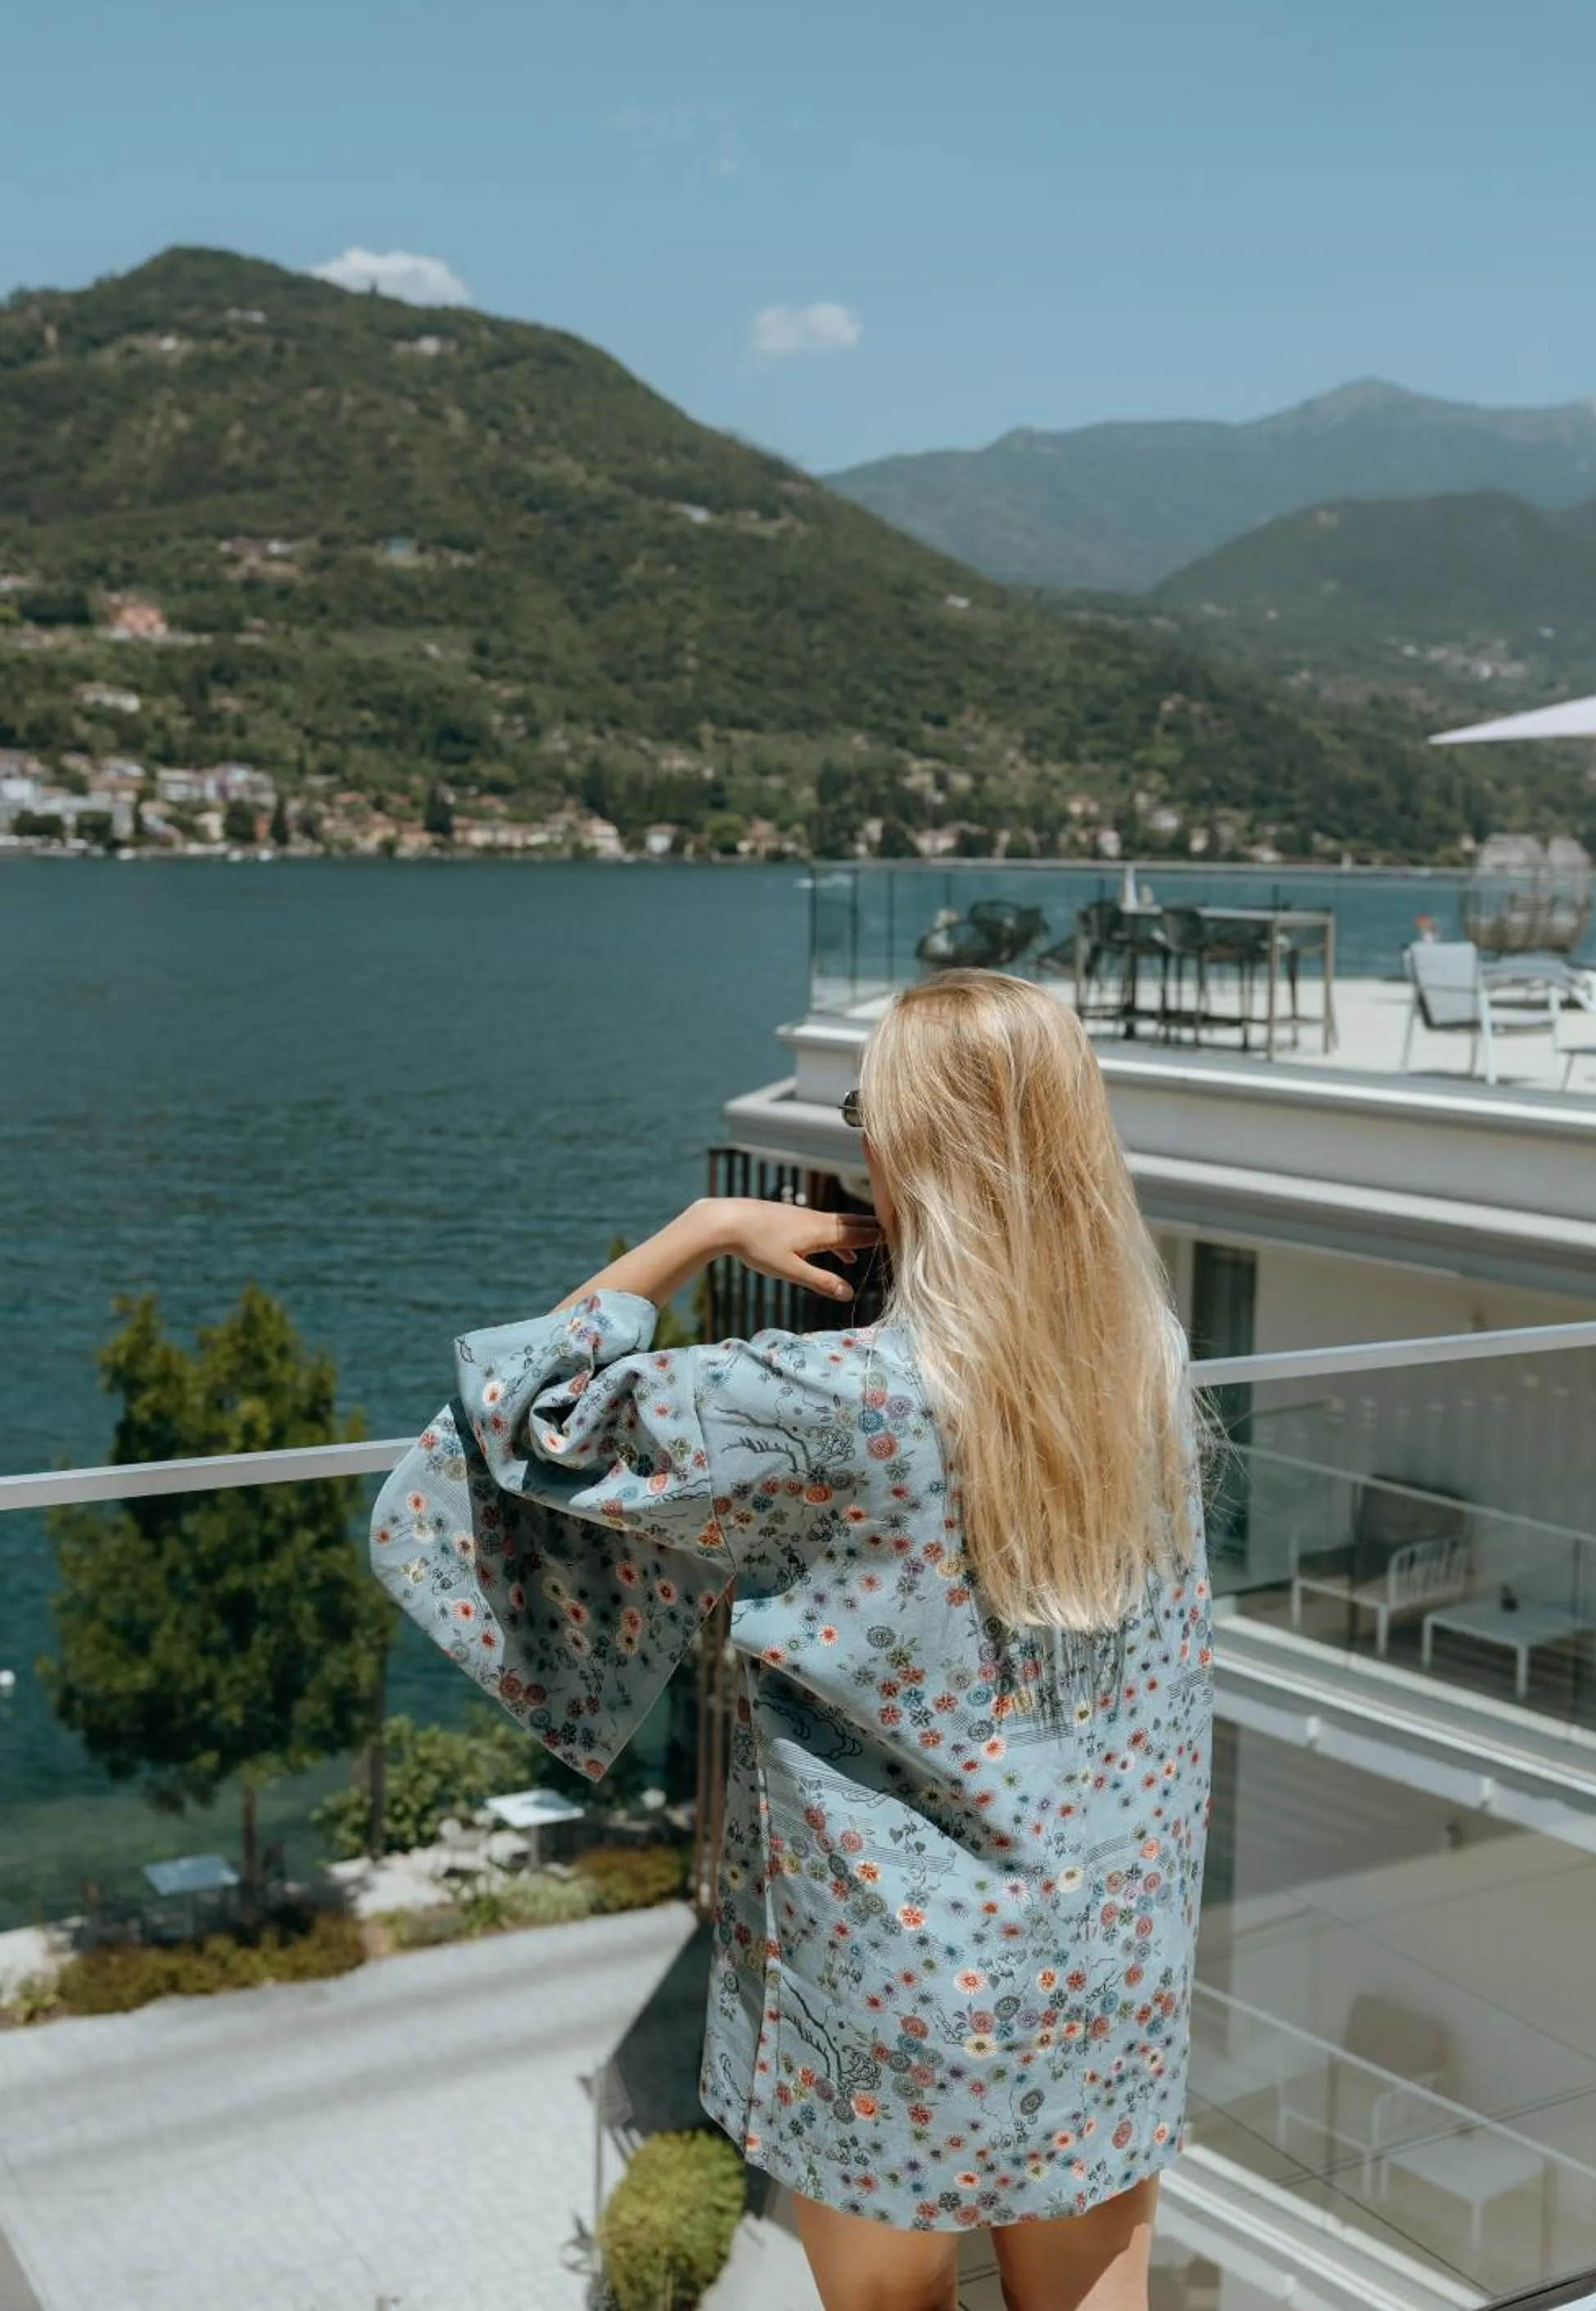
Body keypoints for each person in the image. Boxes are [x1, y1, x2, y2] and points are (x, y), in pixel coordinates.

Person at [373, 970, 1213, 2311]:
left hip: (888, 1990)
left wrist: (699, 1231)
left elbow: (525, 1408)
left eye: (861, 1111)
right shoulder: (1143, 1366)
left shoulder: (825, 1401)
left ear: (908, 1147)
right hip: (1106, 1959)